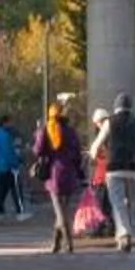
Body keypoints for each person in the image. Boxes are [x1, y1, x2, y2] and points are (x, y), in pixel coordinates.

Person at [91, 93, 135, 253]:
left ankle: (123, 235)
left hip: (114, 168)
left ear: (116, 107)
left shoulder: (110, 122)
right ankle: (126, 232)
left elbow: (98, 142)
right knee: (131, 202)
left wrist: (93, 154)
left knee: (117, 202)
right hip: (134, 169)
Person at [31, 101, 88, 254]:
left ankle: (69, 244)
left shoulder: (46, 130)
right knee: (63, 209)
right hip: (69, 174)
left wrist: (38, 136)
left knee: (60, 212)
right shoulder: (71, 131)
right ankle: (56, 244)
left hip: (53, 175)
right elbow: (77, 154)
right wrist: (79, 173)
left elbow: (37, 151)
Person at [0, 113, 28, 222]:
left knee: (2, 190)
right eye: (10, 122)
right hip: (10, 167)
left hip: (1, 166)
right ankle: (20, 212)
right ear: (5, 122)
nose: (11, 124)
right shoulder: (6, 136)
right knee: (16, 189)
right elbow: (9, 152)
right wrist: (16, 162)